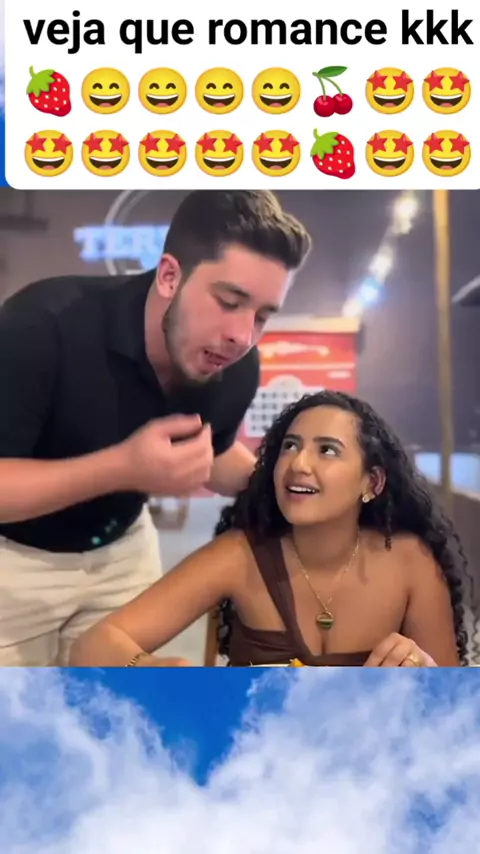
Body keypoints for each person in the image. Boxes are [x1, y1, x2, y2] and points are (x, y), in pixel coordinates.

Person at [0, 190, 312, 666]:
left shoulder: (236, 366)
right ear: (169, 276)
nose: (242, 336)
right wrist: (123, 468)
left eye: (263, 316)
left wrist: (288, 485)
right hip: (14, 561)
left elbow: (211, 451)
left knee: (122, 703)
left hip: (124, 551)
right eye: (229, 301)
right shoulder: (40, 326)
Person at [69, 391, 467, 668]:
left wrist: (423, 671)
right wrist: (149, 668)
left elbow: (452, 701)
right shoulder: (240, 555)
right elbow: (93, 645)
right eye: (290, 446)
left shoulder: (412, 561)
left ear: (373, 483)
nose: (298, 464)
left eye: (327, 450)